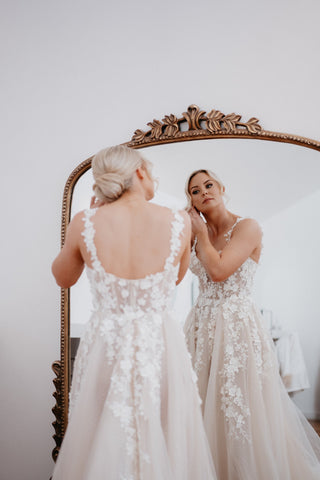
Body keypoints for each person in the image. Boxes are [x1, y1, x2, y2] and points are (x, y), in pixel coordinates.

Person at [51, 147, 216, 480]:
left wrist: (91, 218)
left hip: (106, 347)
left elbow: (63, 277)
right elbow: (176, 278)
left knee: (102, 431)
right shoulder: (179, 221)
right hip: (160, 345)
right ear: (140, 171)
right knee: (165, 434)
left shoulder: (86, 221)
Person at [183, 168, 320, 480]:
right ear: (190, 200)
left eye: (208, 184)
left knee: (238, 404)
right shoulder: (194, 234)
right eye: (194, 190)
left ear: (221, 187)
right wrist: (185, 232)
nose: (203, 191)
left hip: (235, 325)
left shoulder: (248, 226)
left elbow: (219, 272)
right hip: (200, 326)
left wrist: (200, 235)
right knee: (199, 402)